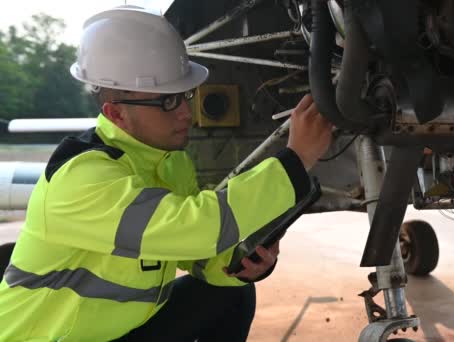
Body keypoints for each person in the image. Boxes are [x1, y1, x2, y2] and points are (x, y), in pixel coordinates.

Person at [0, 6, 332, 341]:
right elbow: (197, 227)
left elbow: (196, 255)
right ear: (116, 113)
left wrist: (242, 266)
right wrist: (294, 160)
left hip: (120, 333)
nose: (187, 112)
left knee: (231, 294)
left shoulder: (169, 164)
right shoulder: (82, 178)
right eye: (168, 102)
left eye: (186, 95)